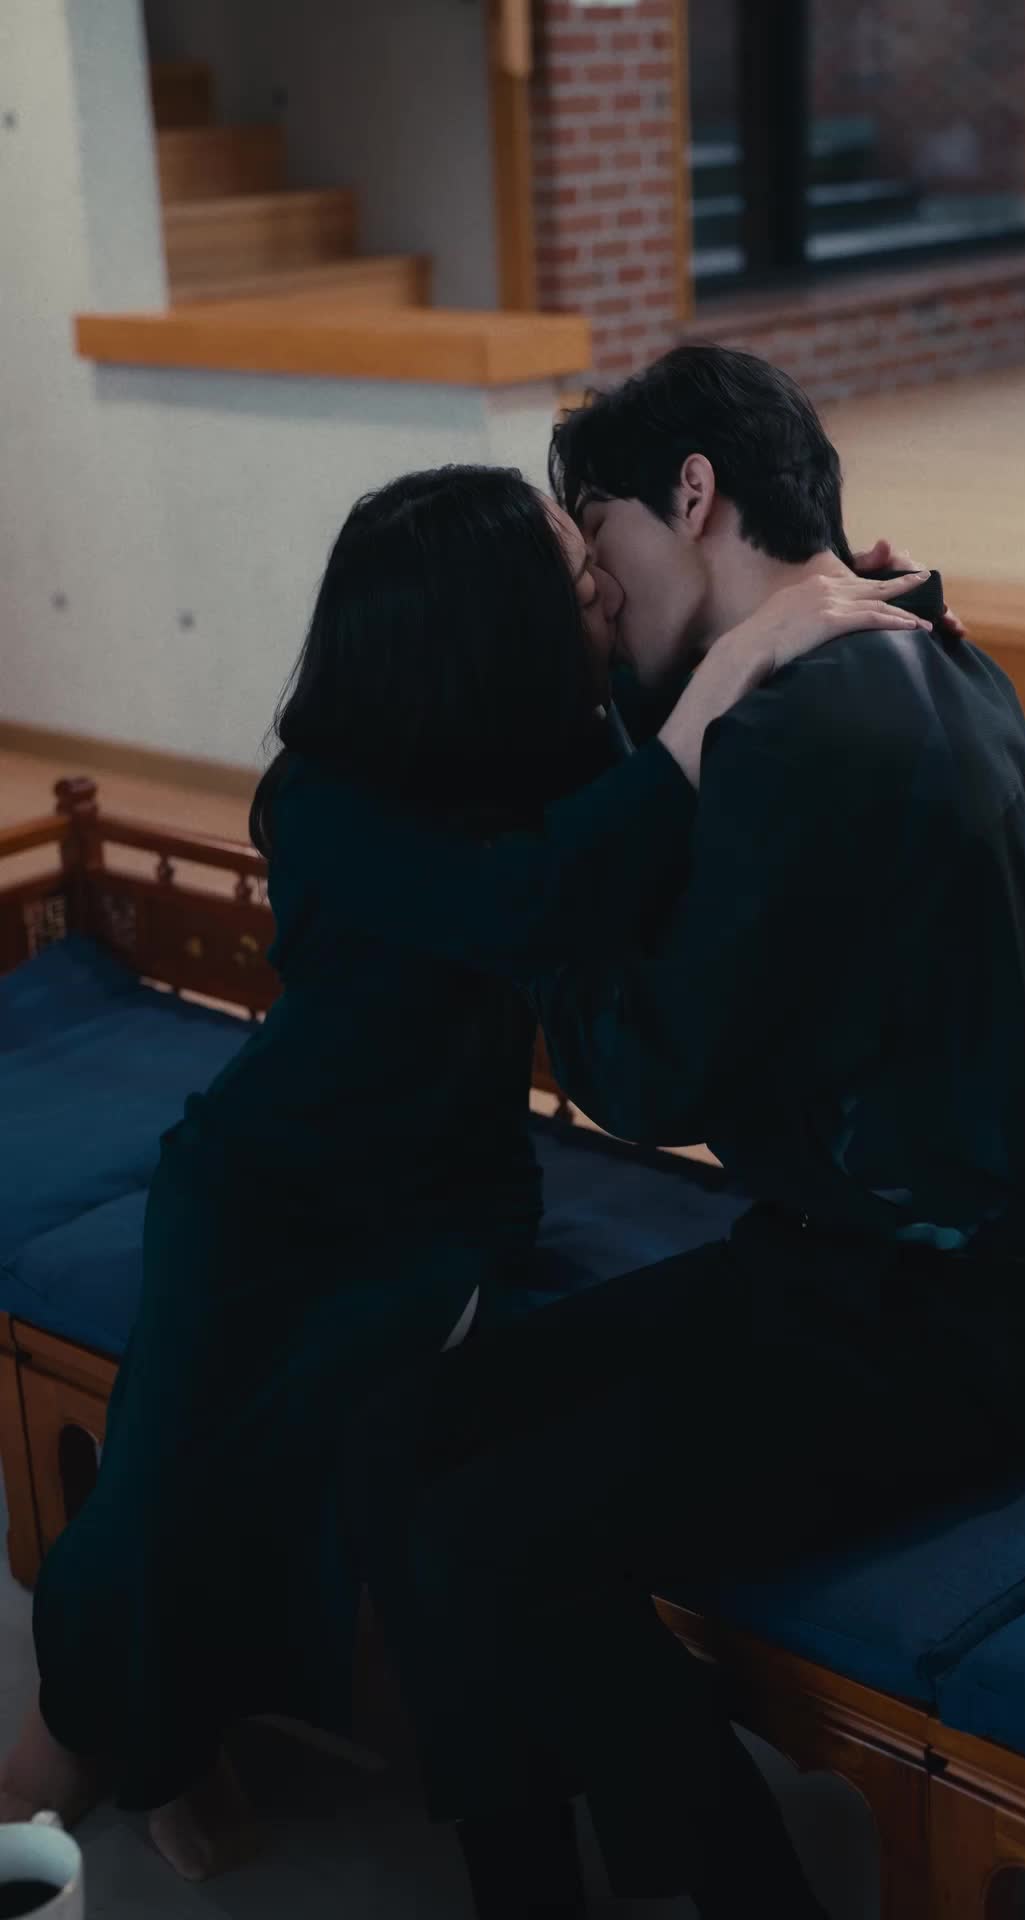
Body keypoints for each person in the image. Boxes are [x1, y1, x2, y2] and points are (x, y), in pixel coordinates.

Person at [0, 464, 928, 1882]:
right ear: (479, 626)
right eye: (571, 575)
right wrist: (731, 666)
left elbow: (635, 810)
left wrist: (803, 594)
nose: (599, 585)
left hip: (439, 1212)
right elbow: (532, 898)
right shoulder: (327, 800)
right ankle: (115, 1739)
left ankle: (217, 1735)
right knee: (167, 1483)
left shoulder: (531, 753)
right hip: (262, 1194)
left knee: (329, 1453)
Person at [354, 351, 1025, 1919]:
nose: (598, 591)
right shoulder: (927, 649)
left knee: (489, 1535)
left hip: (927, 1329)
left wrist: (545, 806)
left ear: (691, 496)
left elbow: (641, 1076)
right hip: (862, 1273)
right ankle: (532, 1885)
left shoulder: (805, 729)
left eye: (597, 534)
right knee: (419, 1425)